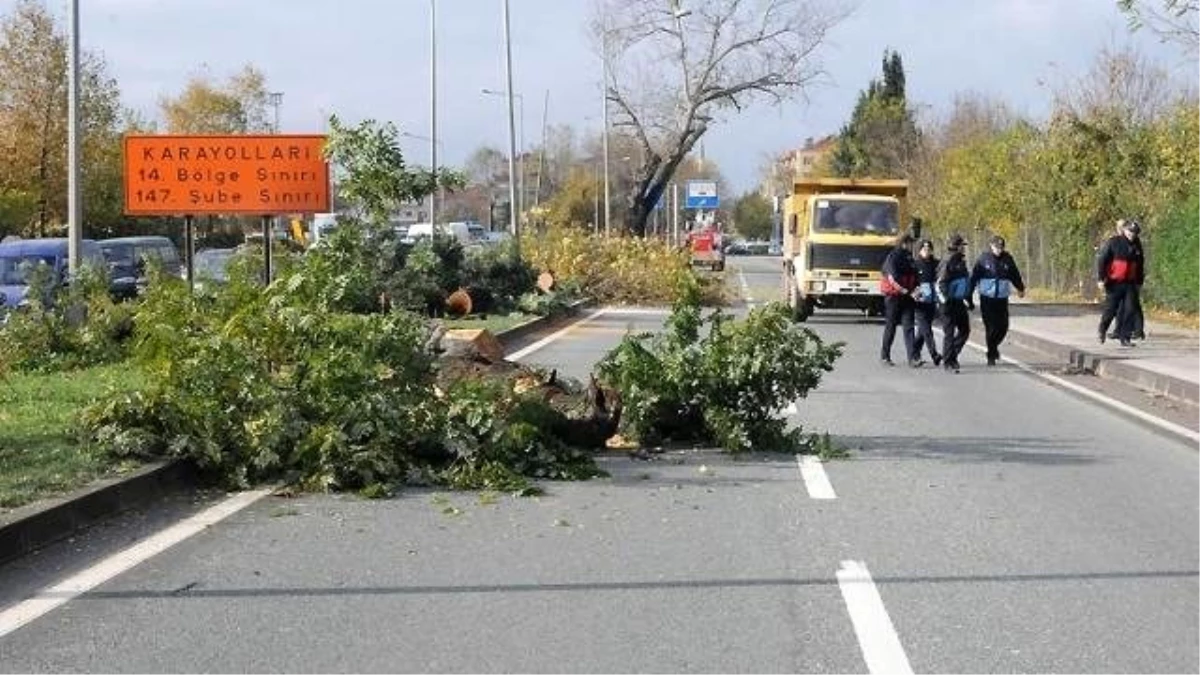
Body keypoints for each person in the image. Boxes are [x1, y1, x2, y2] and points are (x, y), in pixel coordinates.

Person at [969, 234, 1026, 366]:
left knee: (1003, 326)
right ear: (991, 246)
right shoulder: (983, 259)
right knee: (991, 327)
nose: (998, 250)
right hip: (987, 298)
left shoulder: (1007, 259)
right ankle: (991, 353)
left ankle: (993, 347)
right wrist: (969, 296)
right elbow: (973, 278)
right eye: (996, 247)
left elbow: (1014, 274)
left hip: (1001, 298)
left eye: (1001, 247)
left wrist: (1020, 288)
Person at [1097, 219, 1145, 347]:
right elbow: (1102, 260)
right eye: (1130, 231)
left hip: (1130, 283)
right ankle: (1102, 328)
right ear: (1124, 230)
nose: (1132, 234)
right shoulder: (1114, 242)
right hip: (1114, 282)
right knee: (1111, 309)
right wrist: (1101, 279)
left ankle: (1125, 337)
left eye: (1135, 232)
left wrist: (1139, 281)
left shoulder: (1137, 245)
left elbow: (1140, 264)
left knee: (1130, 310)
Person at [879, 228, 920, 366]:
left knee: (909, 327)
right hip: (894, 297)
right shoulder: (893, 257)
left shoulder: (910, 258)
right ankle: (885, 356)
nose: (912, 246)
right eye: (910, 243)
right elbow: (893, 278)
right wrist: (907, 291)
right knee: (891, 326)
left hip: (907, 297)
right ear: (904, 243)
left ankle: (913, 358)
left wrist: (916, 290)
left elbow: (915, 276)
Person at [937, 233, 973, 373]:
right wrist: (945, 301)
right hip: (948, 302)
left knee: (965, 330)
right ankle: (948, 362)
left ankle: (953, 356)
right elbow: (941, 283)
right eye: (961, 246)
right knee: (949, 332)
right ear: (956, 246)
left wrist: (968, 300)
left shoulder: (960, 261)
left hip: (958, 301)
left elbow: (965, 283)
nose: (963, 248)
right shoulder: (948, 261)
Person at [911, 239, 943, 367]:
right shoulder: (915, 264)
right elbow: (910, 282)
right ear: (919, 250)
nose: (927, 251)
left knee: (922, 331)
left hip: (932, 302)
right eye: (924, 249)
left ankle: (914, 352)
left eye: (929, 249)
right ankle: (934, 354)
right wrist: (913, 293)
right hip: (919, 303)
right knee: (927, 330)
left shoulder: (936, 264)